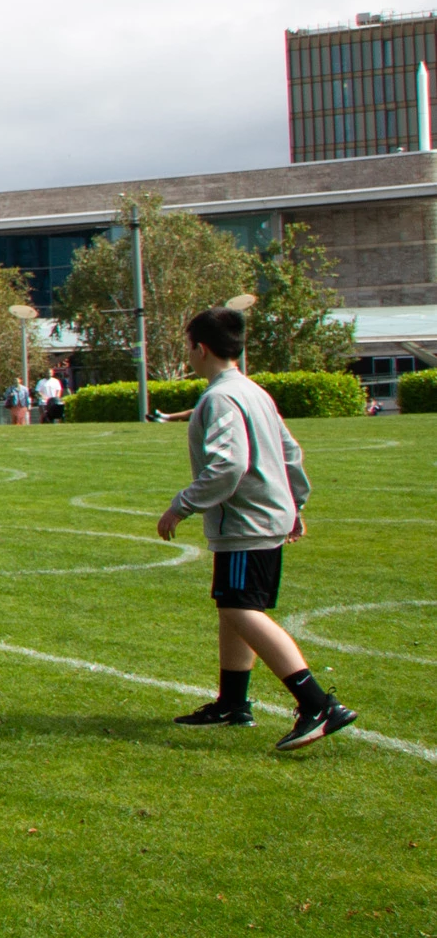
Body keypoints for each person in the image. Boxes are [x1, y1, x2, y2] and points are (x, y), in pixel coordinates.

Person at [159, 305, 353, 749]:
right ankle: (233, 703)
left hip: (245, 521)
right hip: (265, 516)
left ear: (200, 348)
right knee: (234, 607)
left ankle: (317, 703)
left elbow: (229, 466)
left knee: (240, 608)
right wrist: (295, 501)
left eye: (188, 346)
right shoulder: (253, 391)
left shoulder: (220, 398)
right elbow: (290, 452)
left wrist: (181, 505)